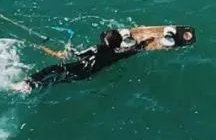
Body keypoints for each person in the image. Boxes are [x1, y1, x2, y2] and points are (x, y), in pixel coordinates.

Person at [15, 28, 151, 92]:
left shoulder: (97, 48)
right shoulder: (116, 55)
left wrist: (69, 49)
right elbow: (133, 51)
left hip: (76, 67)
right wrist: (142, 43)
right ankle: (30, 87)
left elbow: (79, 55)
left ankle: (27, 84)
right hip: (86, 75)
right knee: (56, 80)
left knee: (52, 70)